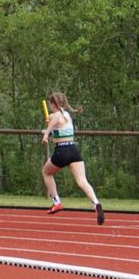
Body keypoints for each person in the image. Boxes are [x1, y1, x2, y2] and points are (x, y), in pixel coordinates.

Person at [40, 91, 104, 225]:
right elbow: (58, 129)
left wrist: (46, 134)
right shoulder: (67, 115)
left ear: (52, 104)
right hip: (73, 150)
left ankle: (56, 202)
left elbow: (52, 124)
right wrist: (48, 131)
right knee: (82, 181)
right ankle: (96, 203)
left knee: (46, 172)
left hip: (62, 151)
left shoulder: (55, 115)